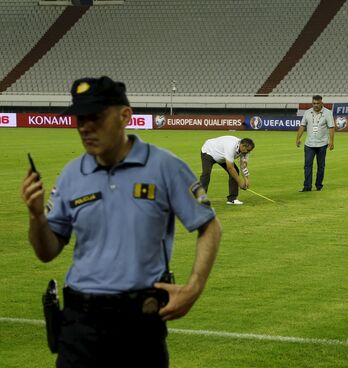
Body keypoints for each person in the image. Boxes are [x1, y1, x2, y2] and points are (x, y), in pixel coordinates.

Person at [20, 76, 221, 368]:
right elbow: (47, 251)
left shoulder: (165, 167)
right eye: (79, 118)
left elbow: (209, 226)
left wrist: (194, 288)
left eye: (96, 117)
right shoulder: (70, 175)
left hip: (139, 324)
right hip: (79, 325)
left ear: (125, 116)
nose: (85, 127)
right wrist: (37, 216)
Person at [295, 95, 335, 192]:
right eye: (314, 103)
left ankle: (319, 185)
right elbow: (302, 126)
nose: (315, 105)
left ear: (321, 103)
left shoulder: (328, 113)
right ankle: (307, 186)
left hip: (322, 144)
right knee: (307, 165)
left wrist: (331, 141)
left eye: (317, 103)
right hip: (309, 144)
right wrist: (298, 138)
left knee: (321, 166)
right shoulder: (307, 112)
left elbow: (331, 127)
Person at [200, 136, 255, 205]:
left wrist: (246, 179)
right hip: (208, 151)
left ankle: (232, 199)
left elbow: (243, 166)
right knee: (206, 174)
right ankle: (201, 198)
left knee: (235, 171)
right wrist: (240, 183)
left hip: (222, 155)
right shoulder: (231, 146)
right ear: (243, 146)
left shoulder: (245, 151)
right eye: (248, 150)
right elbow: (230, 168)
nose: (248, 152)